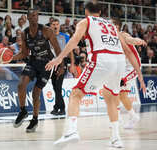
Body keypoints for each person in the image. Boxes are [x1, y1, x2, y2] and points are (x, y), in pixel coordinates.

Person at [45, 2, 146, 148]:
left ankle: (72, 131)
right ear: (100, 11)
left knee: (75, 94)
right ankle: (116, 138)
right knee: (109, 96)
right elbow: (128, 51)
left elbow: (74, 40)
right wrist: (140, 76)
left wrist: (59, 58)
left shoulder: (86, 21)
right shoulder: (111, 25)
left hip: (102, 59)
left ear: (86, 11)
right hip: (118, 62)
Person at [11, 9, 63, 132]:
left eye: (36, 15)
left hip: (46, 64)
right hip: (33, 62)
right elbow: (24, 53)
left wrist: (61, 65)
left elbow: (57, 49)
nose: (35, 17)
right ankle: (23, 111)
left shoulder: (46, 30)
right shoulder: (25, 33)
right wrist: (10, 58)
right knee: (21, 85)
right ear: (28, 18)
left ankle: (34, 119)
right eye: (32, 16)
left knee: (36, 92)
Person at [112, 18, 147, 129]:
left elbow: (131, 39)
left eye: (111, 24)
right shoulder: (110, 37)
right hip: (123, 66)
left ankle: (118, 117)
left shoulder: (123, 35)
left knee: (117, 87)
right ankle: (132, 116)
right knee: (121, 95)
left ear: (117, 26)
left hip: (133, 66)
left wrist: (138, 41)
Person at [50, 18, 75, 115]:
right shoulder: (48, 37)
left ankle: (62, 108)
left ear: (59, 25)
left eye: (57, 24)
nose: (55, 26)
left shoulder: (65, 36)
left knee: (58, 86)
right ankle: (56, 107)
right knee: (54, 86)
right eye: (53, 24)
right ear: (50, 26)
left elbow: (71, 51)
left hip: (62, 63)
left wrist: (72, 64)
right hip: (52, 63)